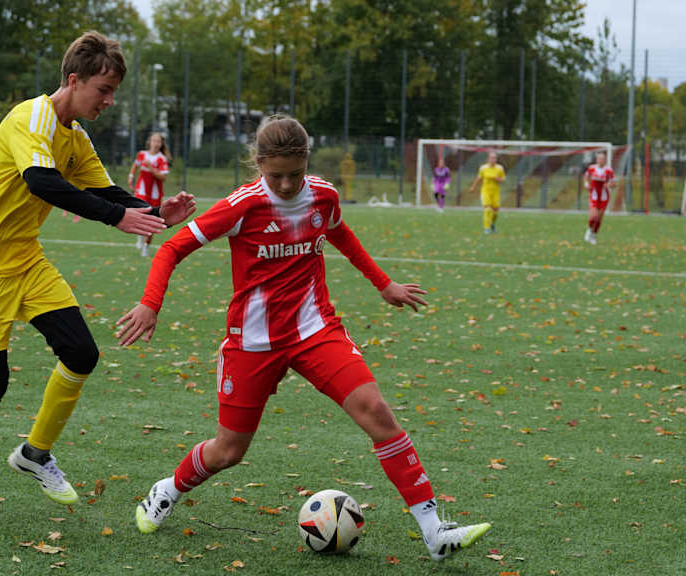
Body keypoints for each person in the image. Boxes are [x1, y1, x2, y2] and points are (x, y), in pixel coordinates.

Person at [117, 115, 491, 562]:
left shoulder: (323, 195)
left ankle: (434, 532)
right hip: (253, 341)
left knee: (377, 412)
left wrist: (383, 283)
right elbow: (173, 248)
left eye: (295, 173)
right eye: (276, 175)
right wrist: (150, 303)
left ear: (306, 163)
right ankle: (167, 490)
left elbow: (339, 233)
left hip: (316, 330)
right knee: (228, 451)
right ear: (258, 165)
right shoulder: (242, 205)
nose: (288, 184)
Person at [0, 31, 196, 516]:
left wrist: (154, 210)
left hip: (26, 260)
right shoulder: (30, 116)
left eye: (113, 92)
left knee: (81, 352)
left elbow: (106, 190)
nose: (109, 101)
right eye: (104, 90)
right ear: (74, 80)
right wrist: (118, 218)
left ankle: (35, 454)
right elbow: (42, 181)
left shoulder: (75, 136)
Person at [127, 132, 170, 257]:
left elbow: (163, 177)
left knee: (153, 219)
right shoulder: (142, 154)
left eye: (158, 141)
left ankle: (146, 245)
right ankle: (139, 236)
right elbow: (135, 166)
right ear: (149, 142)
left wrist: (151, 168)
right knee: (139, 212)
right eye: (154, 140)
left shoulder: (161, 158)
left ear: (161, 144)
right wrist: (131, 177)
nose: (156, 143)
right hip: (142, 190)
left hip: (155, 193)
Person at [467, 151, 505, 234]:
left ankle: (492, 224)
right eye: (491, 158)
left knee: (495, 212)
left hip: (495, 192)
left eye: (495, 158)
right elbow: (478, 178)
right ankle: (486, 228)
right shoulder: (483, 168)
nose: (493, 159)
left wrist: (499, 179)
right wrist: (473, 187)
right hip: (485, 191)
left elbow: (503, 179)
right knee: (487, 209)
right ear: (488, 159)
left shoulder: (500, 168)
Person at [583, 150, 614, 245]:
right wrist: (586, 184)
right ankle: (588, 230)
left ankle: (593, 236)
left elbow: (613, 183)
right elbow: (586, 177)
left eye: (603, 158)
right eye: (599, 158)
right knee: (593, 216)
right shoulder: (592, 168)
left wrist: (608, 184)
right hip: (594, 196)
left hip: (604, 197)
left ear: (605, 160)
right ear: (596, 159)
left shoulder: (609, 170)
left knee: (599, 219)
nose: (601, 160)